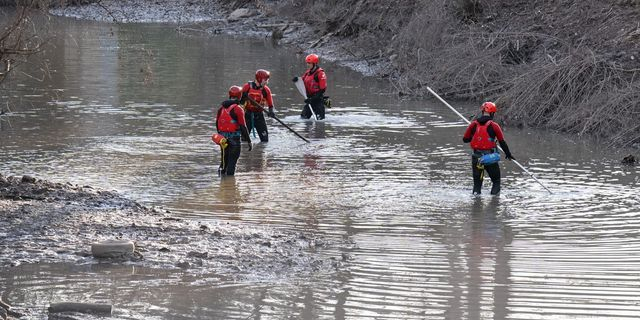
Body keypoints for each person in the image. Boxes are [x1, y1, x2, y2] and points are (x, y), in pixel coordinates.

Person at [462, 102, 515, 195]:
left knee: (477, 186)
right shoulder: (494, 126)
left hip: (476, 158)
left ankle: (476, 205)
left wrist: (474, 136)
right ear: (492, 113)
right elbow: (502, 142)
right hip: (490, 157)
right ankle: (495, 204)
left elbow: (465, 139)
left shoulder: (473, 125)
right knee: (496, 182)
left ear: (482, 111)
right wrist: (508, 154)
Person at [215, 85, 252, 176]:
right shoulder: (238, 109)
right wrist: (249, 141)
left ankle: (221, 180)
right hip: (234, 140)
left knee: (224, 162)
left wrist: (220, 135)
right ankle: (229, 185)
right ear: (240, 96)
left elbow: (217, 124)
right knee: (232, 164)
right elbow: (243, 126)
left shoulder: (221, 109)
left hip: (223, 140)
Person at [241, 69, 275, 142]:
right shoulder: (247, 87)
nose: (267, 82)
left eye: (267, 79)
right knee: (243, 141)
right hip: (247, 116)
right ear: (259, 79)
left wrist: (271, 111)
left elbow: (270, 105)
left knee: (265, 140)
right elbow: (240, 103)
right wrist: (243, 97)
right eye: (265, 80)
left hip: (259, 116)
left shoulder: (266, 90)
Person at [293, 53, 327, 120]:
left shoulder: (320, 73)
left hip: (318, 100)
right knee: (303, 118)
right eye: (307, 63)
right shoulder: (307, 72)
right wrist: (297, 79)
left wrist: (312, 99)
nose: (307, 65)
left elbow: (322, 90)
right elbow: (302, 81)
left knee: (320, 120)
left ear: (314, 63)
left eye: (309, 63)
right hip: (309, 100)